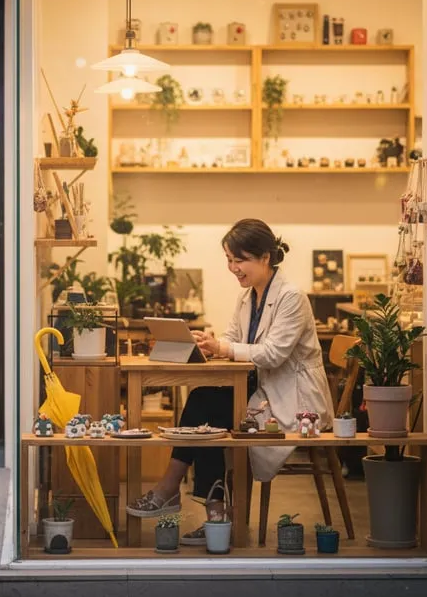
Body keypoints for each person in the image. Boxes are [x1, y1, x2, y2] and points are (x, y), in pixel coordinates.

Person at [126, 218, 333, 545]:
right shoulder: (249, 296)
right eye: (229, 260)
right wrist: (212, 342)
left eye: (240, 260)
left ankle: (187, 498)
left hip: (293, 398)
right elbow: (234, 338)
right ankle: (214, 514)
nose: (233, 268)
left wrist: (224, 347)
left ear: (265, 257)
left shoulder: (292, 297)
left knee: (206, 409)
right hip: (259, 388)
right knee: (205, 406)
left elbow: (273, 354)